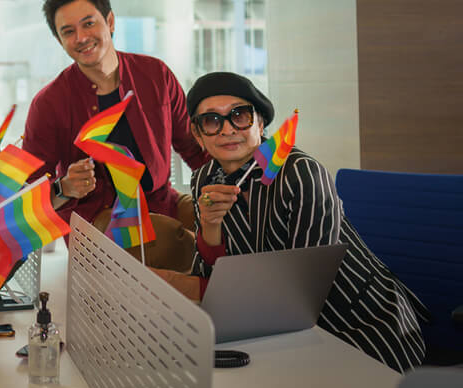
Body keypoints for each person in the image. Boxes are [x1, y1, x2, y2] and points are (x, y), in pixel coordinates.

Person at [156, 71, 427, 372]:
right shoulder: (204, 180)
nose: (226, 129)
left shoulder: (300, 173)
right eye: (211, 121)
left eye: (240, 115)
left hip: (361, 320)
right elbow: (214, 275)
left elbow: (299, 293)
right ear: (197, 135)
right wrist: (209, 226)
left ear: (260, 122)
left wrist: (182, 285)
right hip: (269, 327)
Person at [23, 0, 207, 236]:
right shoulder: (48, 104)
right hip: (99, 223)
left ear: (110, 21)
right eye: (68, 31)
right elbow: (29, 193)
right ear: (59, 40)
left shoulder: (156, 74)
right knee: (179, 241)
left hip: (164, 204)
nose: (82, 38)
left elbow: (194, 148)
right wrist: (64, 187)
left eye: (89, 23)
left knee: (230, 223)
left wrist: (228, 189)